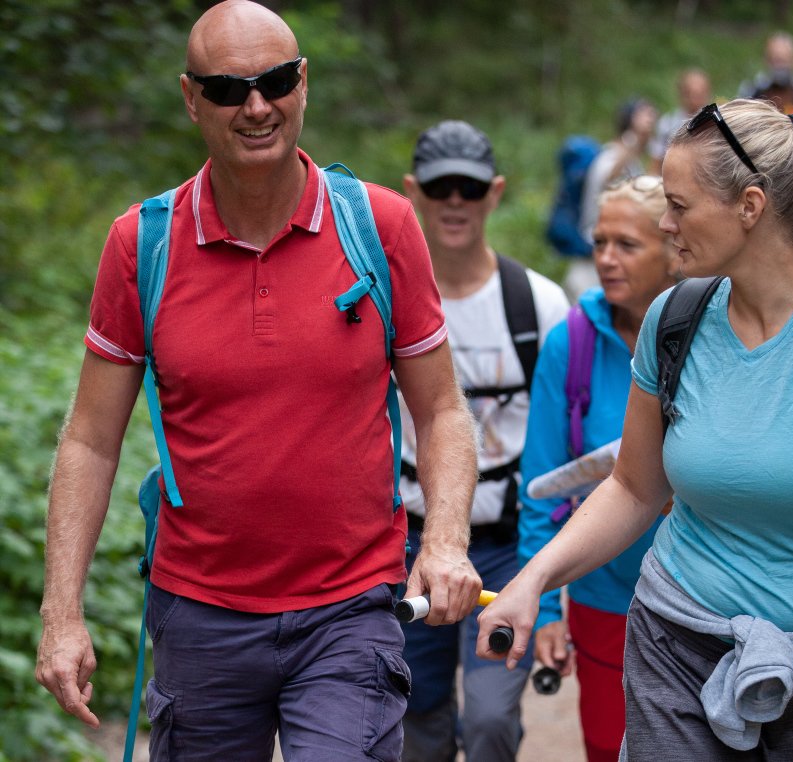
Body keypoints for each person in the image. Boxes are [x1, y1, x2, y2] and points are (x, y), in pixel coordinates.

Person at [34, 3, 482, 759]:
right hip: (199, 615)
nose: (256, 107)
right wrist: (61, 613)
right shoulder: (142, 242)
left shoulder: (380, 226)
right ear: (190, 97)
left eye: (275, 81)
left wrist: (444, 541)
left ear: (302, 83)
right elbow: (89, 440)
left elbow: (440, 409)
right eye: (226, 89)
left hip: (350, 609)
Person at [479, 99, 793, 761]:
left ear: (750, 206)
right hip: (678, 648)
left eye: (680, 205)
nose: (666, 224)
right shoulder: (674, 321)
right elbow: (634, 489)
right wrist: (534, 580)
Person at [399, 120, 570, 762]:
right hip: (410, 543)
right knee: (417, 714)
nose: (453, 202)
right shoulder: (385, 302)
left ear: (493, 193)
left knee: (495, 718)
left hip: (507, 549)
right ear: (413, 191)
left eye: (468, 189)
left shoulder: (540, 306)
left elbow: (564, 436)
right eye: (439, 186)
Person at [518, 175, 681, 762]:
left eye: (627, 245)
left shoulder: (715, 332)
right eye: (599, 242)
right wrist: (543, 611)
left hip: (708, 603)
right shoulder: (573, 344)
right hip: (606, 601)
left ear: (672, 248)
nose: (606, 259)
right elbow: (541, 486)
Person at [571, 98, 658, 301]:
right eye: (644, 114)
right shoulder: (611, 156)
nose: (651, 119)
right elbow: (609, 182)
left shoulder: (632, 160)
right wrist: (633, 141)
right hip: (591, 255)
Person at [738, 32, 793, 114]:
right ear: (766, 60)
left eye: (784, 61)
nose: (780, 67)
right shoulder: (754, 90)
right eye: (776, 60)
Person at [651, 68, 712, 161]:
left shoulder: (717, 120)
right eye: (691, 94)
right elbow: (657, 159)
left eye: (700, 94)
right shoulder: (667, 123)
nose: (695, 99)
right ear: (682, 94)